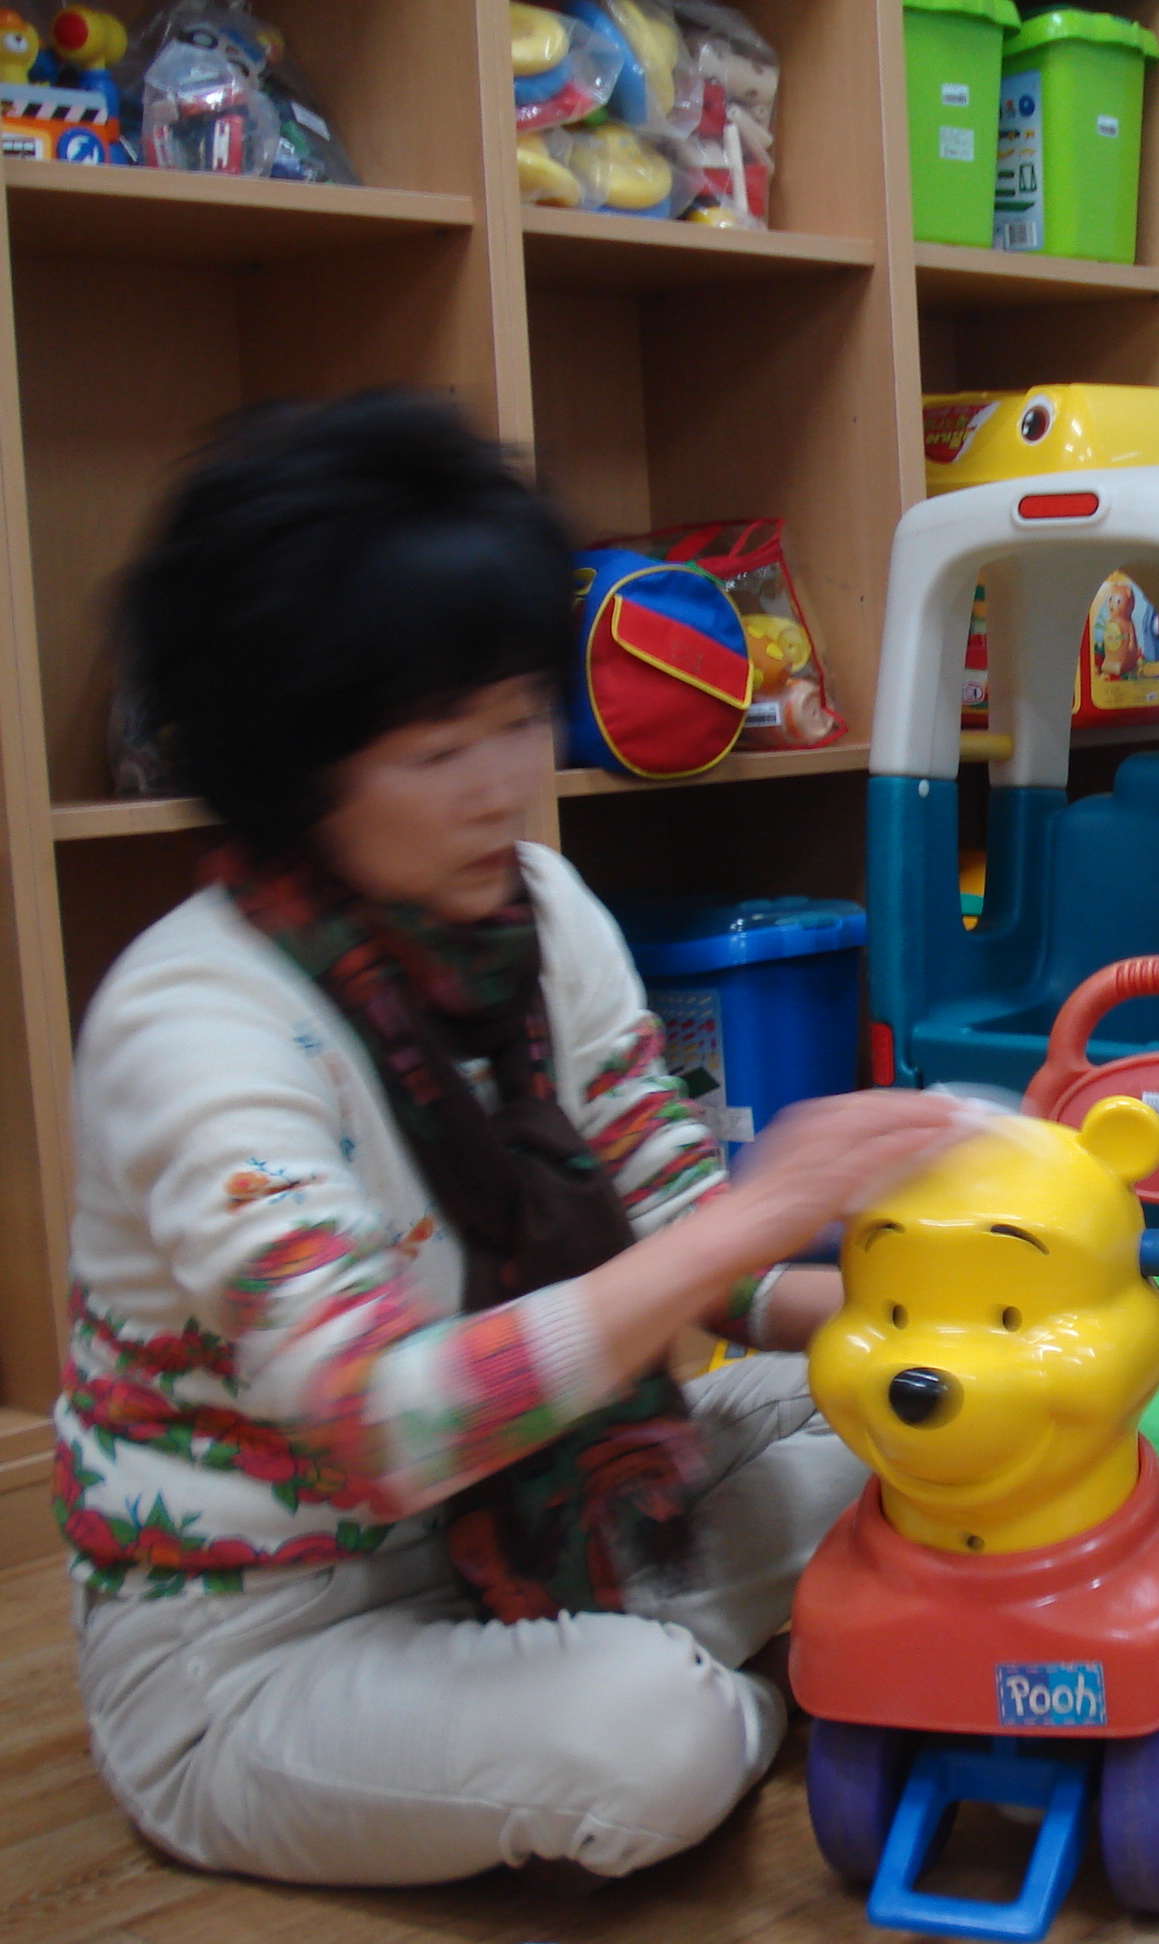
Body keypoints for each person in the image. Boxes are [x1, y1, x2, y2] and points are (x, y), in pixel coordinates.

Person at [55, 392, 972, 1886]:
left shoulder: (539, 911)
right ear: (293, 771)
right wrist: (765, 1214)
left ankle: (716, 1647)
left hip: (547, 1511)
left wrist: (952, 1305)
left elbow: (693, 1242)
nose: (501, 787)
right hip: (262, 1641)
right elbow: (381, 1427)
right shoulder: (197, 1026)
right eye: (438, 751)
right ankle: (759, 1683)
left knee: (931, 1423)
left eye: (515, 720)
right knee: (649, 1738)